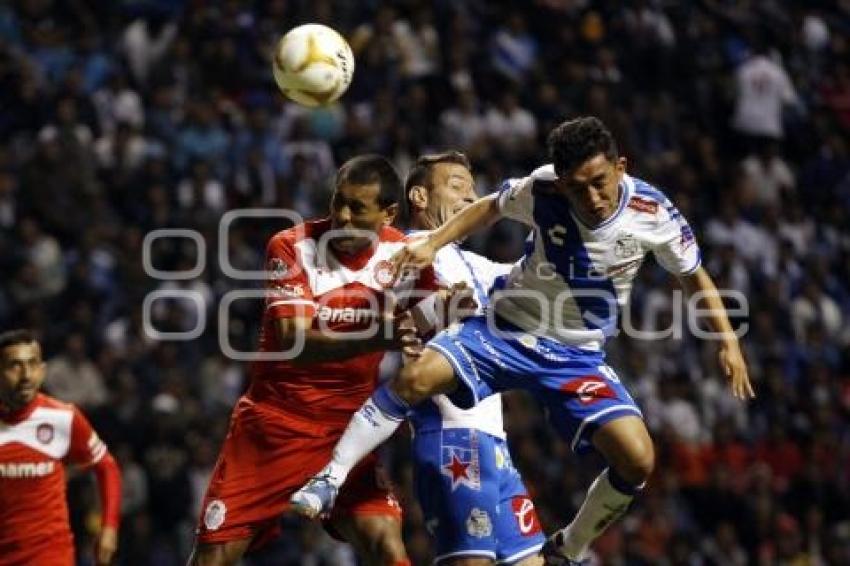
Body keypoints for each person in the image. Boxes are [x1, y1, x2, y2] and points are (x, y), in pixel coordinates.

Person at [291, 117, 755, 565]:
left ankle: (570, 548)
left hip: (575, 356)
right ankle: (331, 477)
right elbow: (490, 207)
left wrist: (727, 341)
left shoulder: (653, 213)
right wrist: (431, 245)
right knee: (417, 378)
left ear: (621, 167)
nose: (591, 198)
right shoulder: (540, 190)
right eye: (578, 187)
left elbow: (694, 276)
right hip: (505, 336)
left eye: (599, 182)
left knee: (638, 459)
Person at [189, 154, 437, 566]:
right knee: (213, 558)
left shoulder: (407, 254)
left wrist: (447, 307)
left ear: (388, 213)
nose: (341, 215)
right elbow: (295, 341)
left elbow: (437, 318)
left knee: (386, 546)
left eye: (357, 208)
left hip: (348, 431)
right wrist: (382, 335)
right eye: (337, 202)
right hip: (274, 427)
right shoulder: (292, 245)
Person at [404, 152, 544, 565]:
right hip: (452, 437)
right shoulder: (404, 251)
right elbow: (396, 323)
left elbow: (525, 279)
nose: (472, 196)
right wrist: (437, 308)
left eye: (474, 188)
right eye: (457, 185)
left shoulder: (468, 261)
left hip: (492, 439)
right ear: (420, 197)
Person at [0, 329, 122, 566]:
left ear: (43, 371)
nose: (26, 375)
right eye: (15, 366)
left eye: (32, 364)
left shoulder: (63, 418)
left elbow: (107, 467)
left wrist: (109, 527)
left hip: (51, 556)